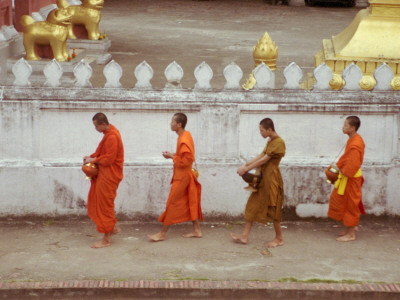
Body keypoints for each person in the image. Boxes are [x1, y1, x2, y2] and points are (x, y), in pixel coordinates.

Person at [231, 118, 286, 248]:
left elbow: (264, 160)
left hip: (272, 179)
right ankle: (244, 236)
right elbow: (261, 155)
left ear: (269, 129)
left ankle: (279, 238)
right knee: (252, 205)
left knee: (273, 209)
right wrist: (246, 164)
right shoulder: (270, 141)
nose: (260, 133)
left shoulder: (279, 142)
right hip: (262, 178)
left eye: (262, 130)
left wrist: (246, 169)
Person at [148, 113, 202, 242]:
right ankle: (197, 230)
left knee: (172, 203)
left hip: (182, 176)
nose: (170, 124)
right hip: (183, 175)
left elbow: (187, 161)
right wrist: (172, 154)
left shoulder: (184, 139)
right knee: (190, 201)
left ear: (179, 125)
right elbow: (183, 157)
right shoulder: (185, 136)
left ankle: (162, 233)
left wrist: (172, 157)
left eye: (172, 122)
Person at [83, 113, 124, 248]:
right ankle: (112, 228)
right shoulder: (109, 133)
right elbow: (103, 153)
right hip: (106, 174)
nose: (95, 128)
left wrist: (93, 160)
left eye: (96, 126)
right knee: (105, 203)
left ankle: (106, 239)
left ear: (103, 124)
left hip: (109, 175)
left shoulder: (112, 136)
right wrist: (92, 156)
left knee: (104, 205)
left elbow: (108, 160)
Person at [328, 116, 365, 242]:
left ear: (352, 128)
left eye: (345, 125)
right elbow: (346, 158)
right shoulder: (352, 139)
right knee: (343, 202)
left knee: (351, 205)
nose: (343, 128)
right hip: (347, 177)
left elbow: (353, 165)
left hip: (351, 178)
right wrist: (337, 167)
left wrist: (340, 172)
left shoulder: (356, 143)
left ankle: (351, 234)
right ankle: (349, 228)